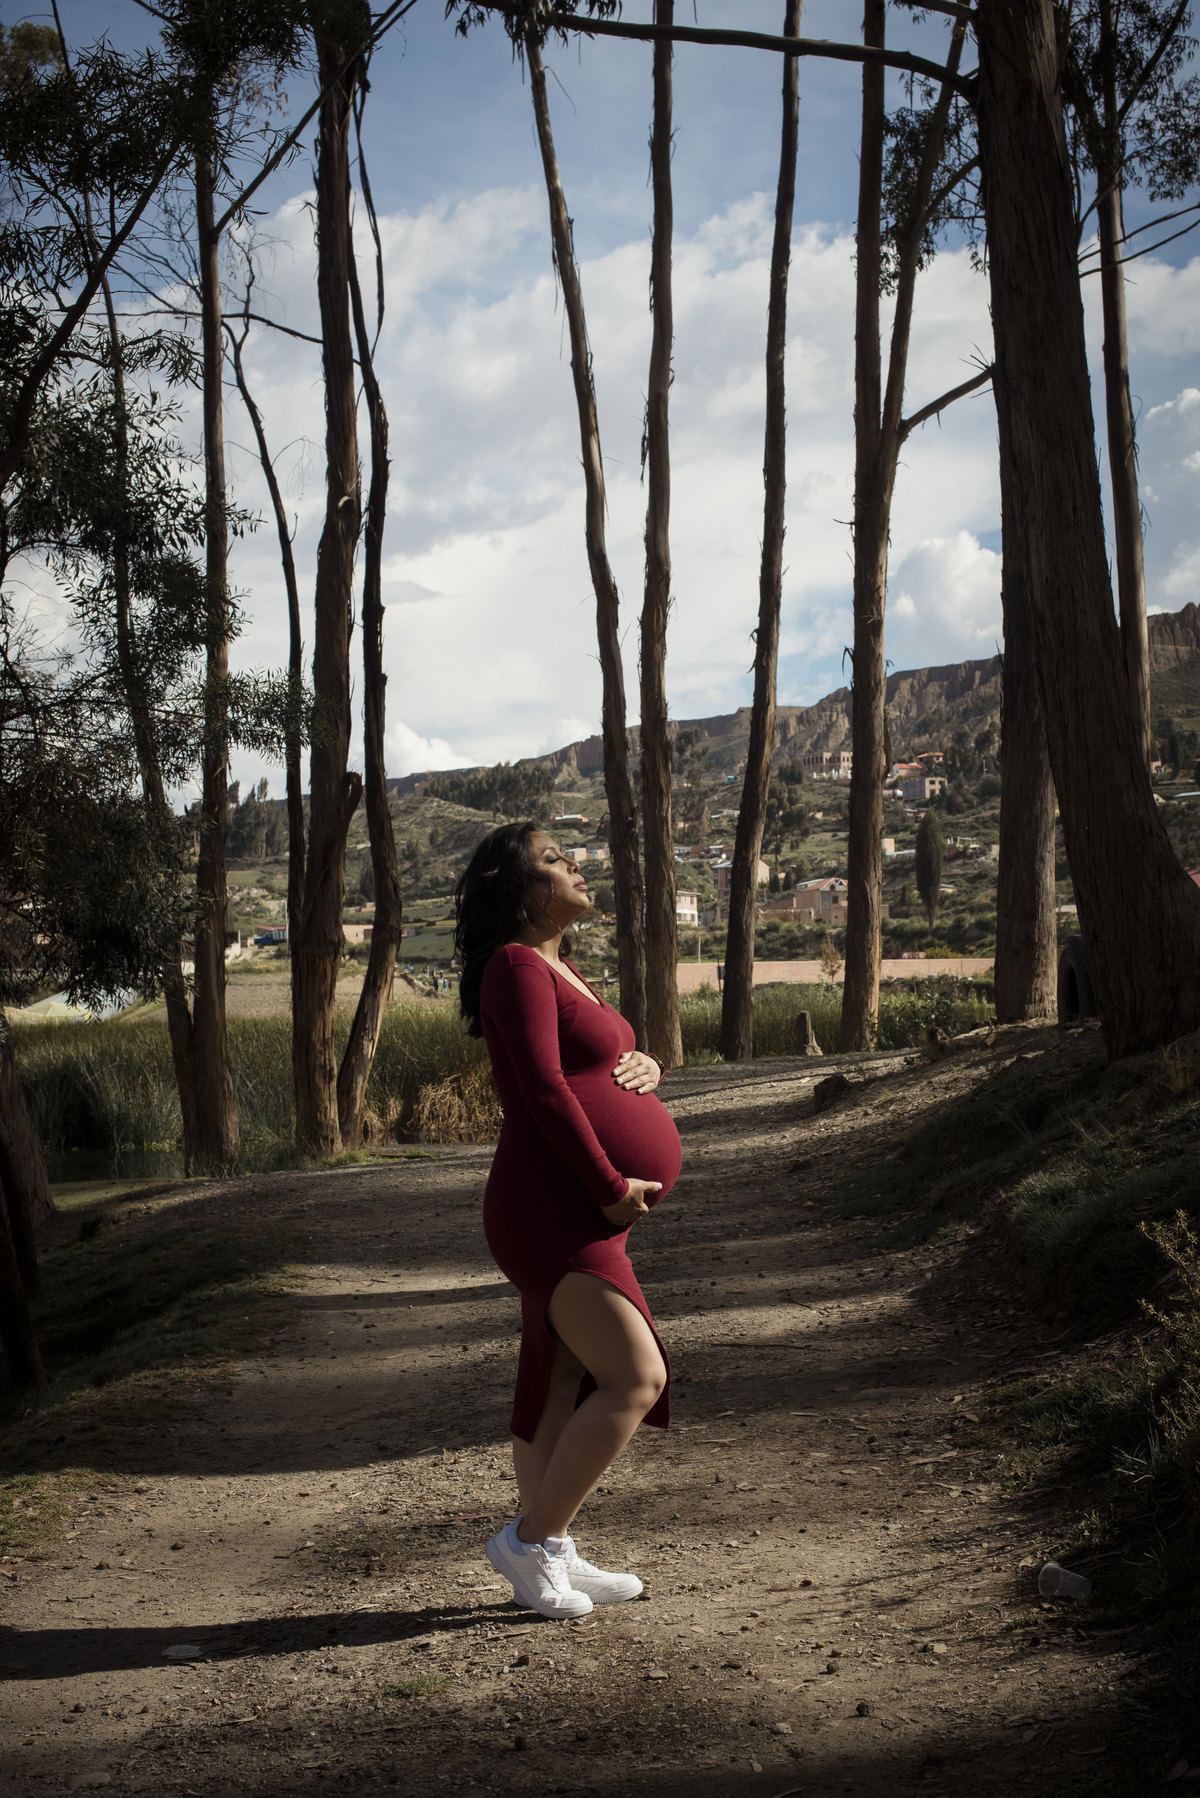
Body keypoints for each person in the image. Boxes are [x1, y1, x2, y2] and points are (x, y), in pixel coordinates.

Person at [454, 823, 682, 1619]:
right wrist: (611, 1183)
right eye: (554, 860)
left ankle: (550, 1552)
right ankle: (527, 1539)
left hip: (575, 1206)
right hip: (554, 1206)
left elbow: (599, 1064)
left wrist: (648, 1064)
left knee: (562, 1379)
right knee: (634, 1375)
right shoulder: (516, 965)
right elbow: (546, 1093)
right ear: (518, 892)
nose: (576, 865)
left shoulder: (559, 968)